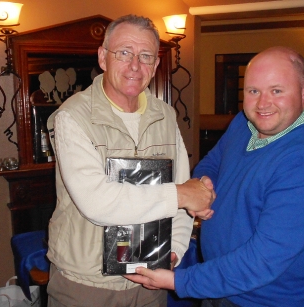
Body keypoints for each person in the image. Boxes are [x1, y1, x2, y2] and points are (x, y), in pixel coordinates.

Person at [127, 46, 304, 307]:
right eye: (253, 91)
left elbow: (262, 261)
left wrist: (179, 282)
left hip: (266, 300)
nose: (263, 103)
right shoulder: (245, 123)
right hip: (219, 288)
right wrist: (203, 185)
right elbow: (212, 161)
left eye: (277, 91)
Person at [46, 14, 215, 307]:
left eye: (146, 55)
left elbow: (182, 199)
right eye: (124, 53)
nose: (135, 65)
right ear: (103, 57)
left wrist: (173, 249)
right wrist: (183, 194)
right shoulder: (72, 117)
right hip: (87, 285)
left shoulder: (165, 115)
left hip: (151, 280)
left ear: (156, 65)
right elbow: (98, 202)